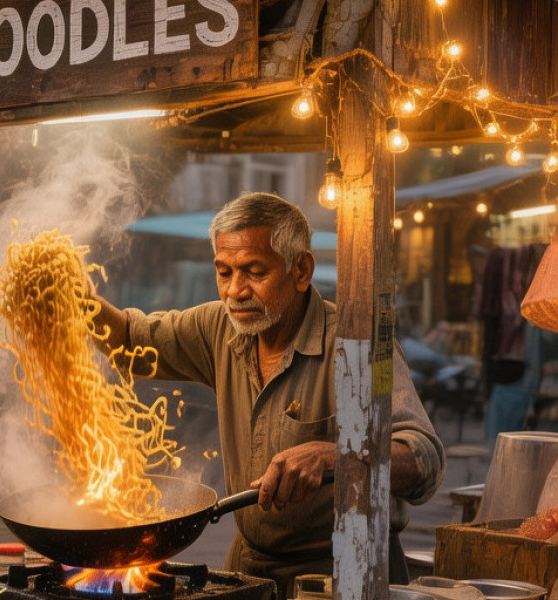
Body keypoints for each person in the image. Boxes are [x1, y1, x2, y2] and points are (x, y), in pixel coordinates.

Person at [91, 193, 444, 597]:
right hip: (251, 573)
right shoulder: (218, 328)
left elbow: (424, 459)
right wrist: (75, 295)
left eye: (254, 271)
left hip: (345, 576)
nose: (235, 291)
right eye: (224, 272)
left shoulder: (357, 347)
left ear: (301, 270)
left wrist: (333, 455)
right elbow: (128, 341)